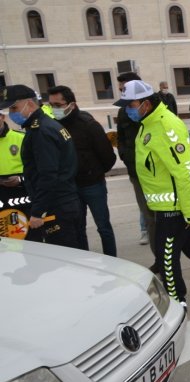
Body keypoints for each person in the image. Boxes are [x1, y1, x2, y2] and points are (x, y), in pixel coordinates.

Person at [115, 80, 190, 303]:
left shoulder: (167, 126)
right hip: (162, 204)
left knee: (166, 256)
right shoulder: (148, 124)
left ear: (146, 103)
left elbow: (184, 171)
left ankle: (177, 301)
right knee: (189, 245)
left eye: (131, 105)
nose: (127, 110)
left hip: (174, 207)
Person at [0, 85, 81, 248]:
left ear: (29, 104)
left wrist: (38, 212)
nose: (12, 114)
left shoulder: (41, 132)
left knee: (63, 259)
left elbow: (48, 174)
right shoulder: (44, 125)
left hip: (56, 205)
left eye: (14, 108)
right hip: (63, 200)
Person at [48, 85, 117, 256]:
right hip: (71, 187)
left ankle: (112, 261)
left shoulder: (89, 124)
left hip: (93, 185)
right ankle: (84, 262)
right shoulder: (54, 127)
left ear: (71, 104)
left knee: (103, 227)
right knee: (78, 228)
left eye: (58, 105)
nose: (54, 109)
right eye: (51, 106)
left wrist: (94, 173)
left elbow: (108, 156)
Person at [117, 71, 156, 260]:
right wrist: (125, 157)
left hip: (158, 177)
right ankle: (160, 261)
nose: (121, 93)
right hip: (136, 172)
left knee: (166, 223)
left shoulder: (159, 117)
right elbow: (121, 139)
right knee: (150, 220)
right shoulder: (124, 112)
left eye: (125, 89)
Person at [0, 111, 30, 235]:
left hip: (23, 194)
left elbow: (35, 168)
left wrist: (20, 179)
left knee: (31, 239)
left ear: (2, 117)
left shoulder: (21, 138)